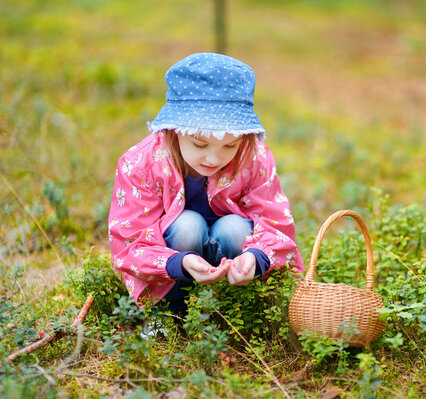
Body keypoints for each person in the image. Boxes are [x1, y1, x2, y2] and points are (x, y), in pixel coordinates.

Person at [107, 53, 304, 321]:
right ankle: (169, 313)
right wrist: (179, 262)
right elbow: (130, 240)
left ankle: (231, 310)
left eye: (230, 146)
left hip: (229, 249)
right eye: (200, 145)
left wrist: (256, 258)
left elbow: (275, 222)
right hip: (172, 260)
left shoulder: (253, 157)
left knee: (234, 228)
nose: (213, 158)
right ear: (173, 130)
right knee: (188, 225)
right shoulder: (140, 164)